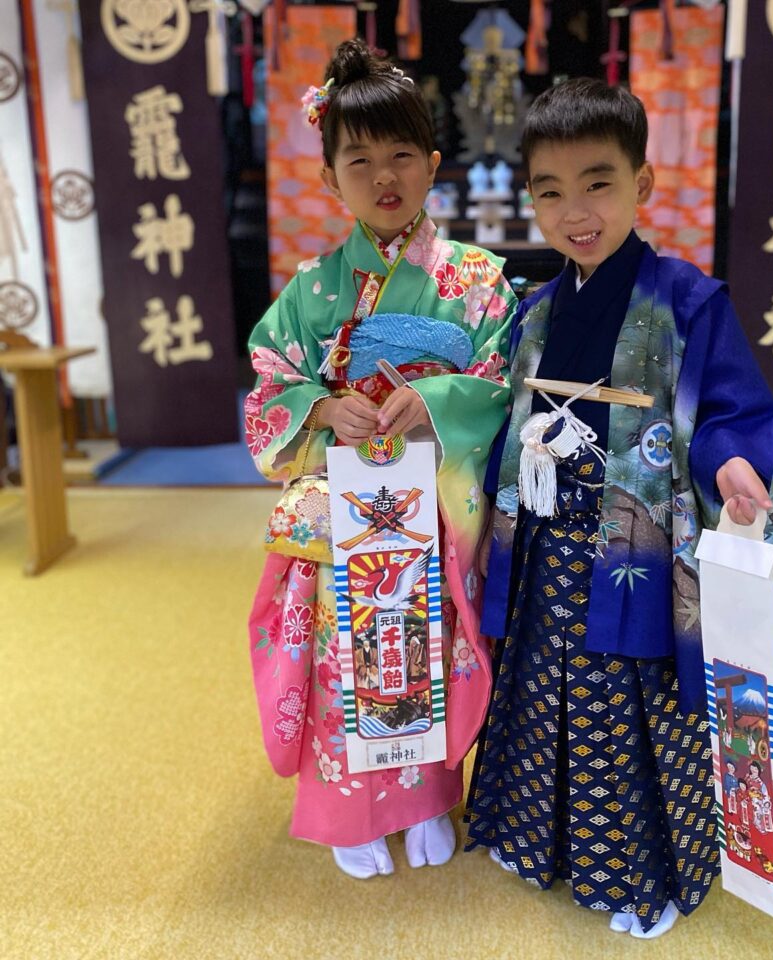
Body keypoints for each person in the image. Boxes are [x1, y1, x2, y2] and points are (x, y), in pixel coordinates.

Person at [464, 78, 773, 939]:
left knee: (626, 707)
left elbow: (728, 409)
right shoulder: (535, 312)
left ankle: (645, 875)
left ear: (642, 183)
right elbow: (504, 426)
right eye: (551, 192)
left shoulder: (688, 302)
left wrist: (733, 463)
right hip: (545, 541)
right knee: (540, 695)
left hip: (632, 547)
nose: (576, 213)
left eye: (598, 183)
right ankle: (539, 840)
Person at [246, 39, 515, 882]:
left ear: (433, 163)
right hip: (345, 508)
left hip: (432, 505)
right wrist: (323, 406)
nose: (383, 176)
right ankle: (347, 812)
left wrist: (437, 401)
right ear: (330, 178)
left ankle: (429, 800)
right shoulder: (311, 289)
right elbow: (269, 384)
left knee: (426, 644)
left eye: (401, 154)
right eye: (358, 160)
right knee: (344, 655)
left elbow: (502, 380)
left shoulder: (478, 280)